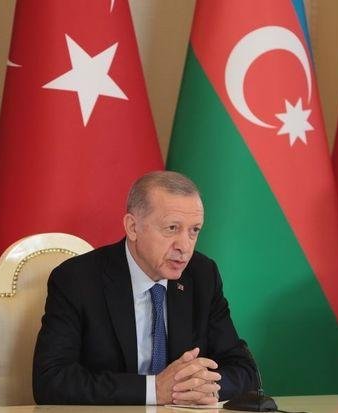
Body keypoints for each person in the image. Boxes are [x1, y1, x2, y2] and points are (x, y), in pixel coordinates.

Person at [33, 171, 256, 405]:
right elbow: (50, 380)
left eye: (194, 230)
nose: (185, 246)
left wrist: (205, 387)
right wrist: (153, 390)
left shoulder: (202, 276)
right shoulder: (78, 279)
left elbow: (245, 369)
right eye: (172, 228)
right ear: (133, 227)